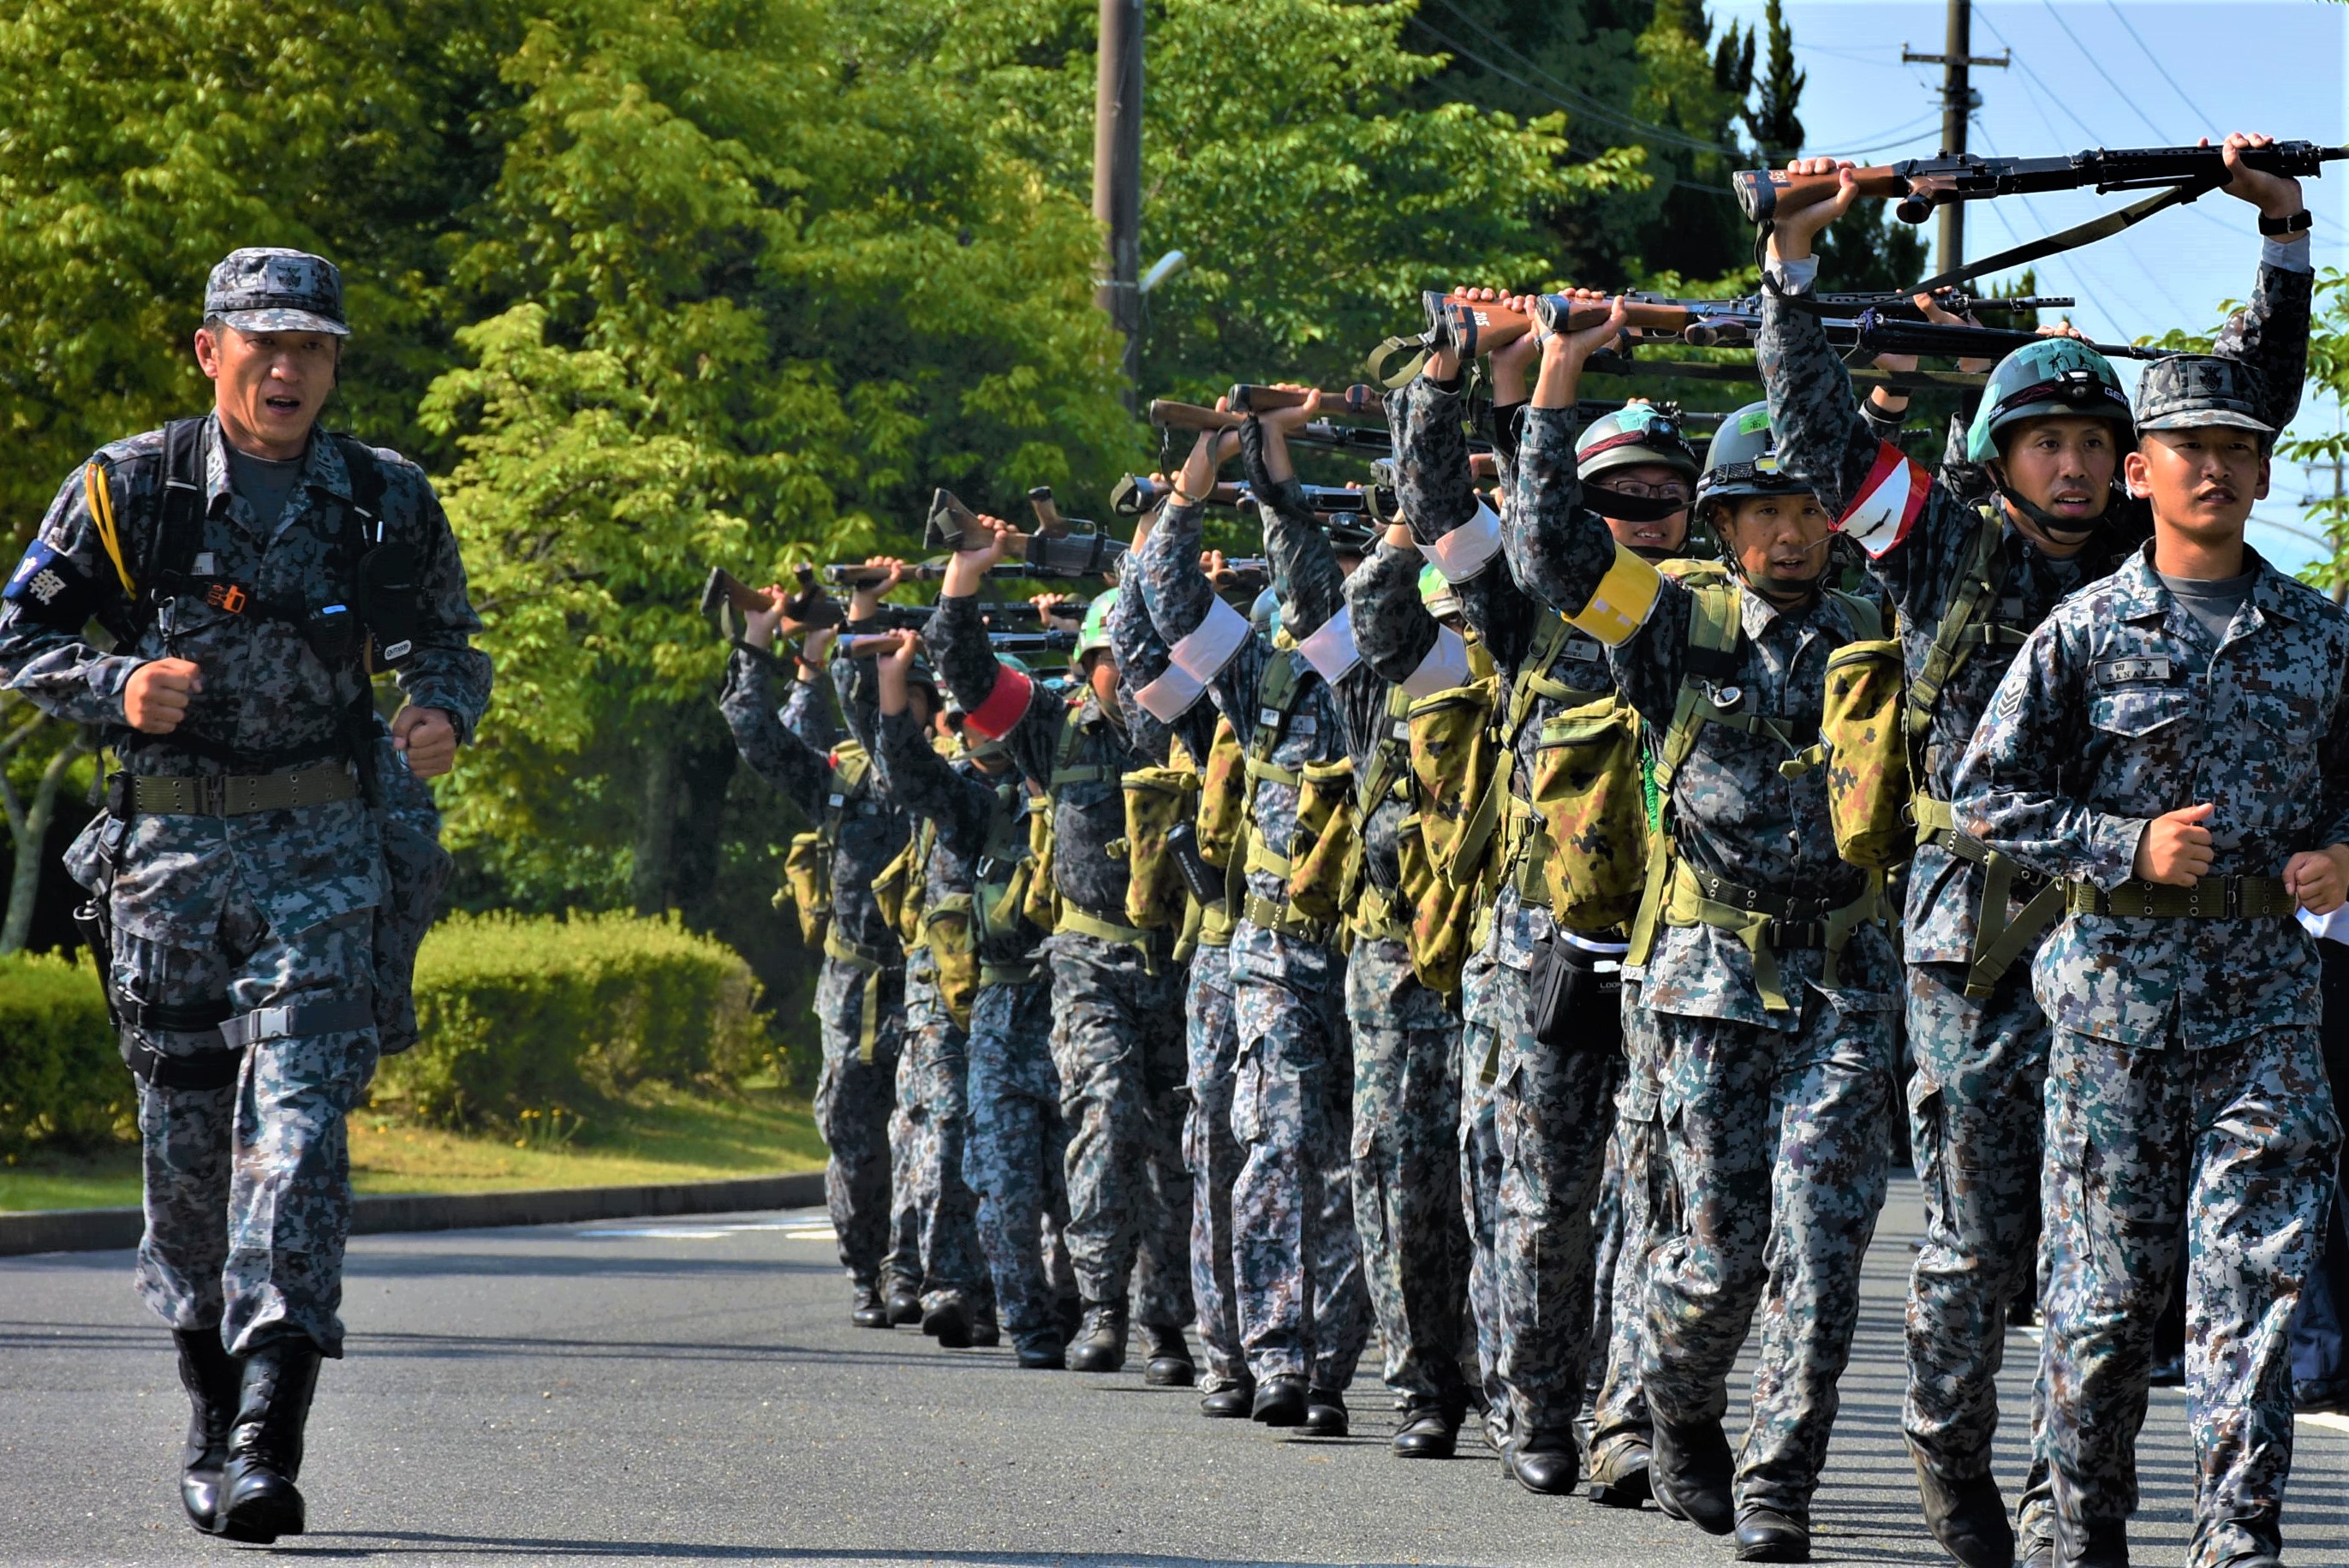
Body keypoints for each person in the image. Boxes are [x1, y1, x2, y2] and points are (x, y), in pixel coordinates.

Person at [1758, 136, 2314, 1568]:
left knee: (2116, 1260)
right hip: (1988, 929)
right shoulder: (1936, 548)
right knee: (1969, 1231)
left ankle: (2095, 1500)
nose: (2070, 468)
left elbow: (2235, 408)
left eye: (2089, 444)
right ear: (1995, 456)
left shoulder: (2161, 544)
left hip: (2156, 950)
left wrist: (2278, 243)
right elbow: (1819, 439)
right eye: (2041, 444)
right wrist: (1792, 267)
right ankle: (1954, 1465)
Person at [0, 247, 491, 1541]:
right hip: (167, 870)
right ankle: (212, 1413)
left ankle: (274, 1427)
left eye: (312, 347)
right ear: (208, 349)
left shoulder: (386, 499)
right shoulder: (131, 487)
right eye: (262, 342)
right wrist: (116, 687)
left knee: (300, 1136)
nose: (287, 367)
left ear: (334, 363)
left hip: (326, 856)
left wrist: (441, 706)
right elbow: (16, 636)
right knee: (189, 1164)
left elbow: (445, 635)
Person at [1510, 288, 1900, 1563]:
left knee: (1822, 1248)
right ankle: (1676, 1409)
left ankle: (1777, 1478)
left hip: (1840, 973)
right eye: (1762, 512)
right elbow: (1553, 554)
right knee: (1717, 1254)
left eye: (1806, 508)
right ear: (1723, 525)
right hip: (1705, 980)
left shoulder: (1876, 629)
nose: (1788, 535)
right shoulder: (1672, 622)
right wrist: (1553, 379)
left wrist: (1884, 389)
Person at [1953, 349, 2349, 1568]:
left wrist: (2341, 850)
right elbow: (1982, 794)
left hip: (2265, 1011)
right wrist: (2120, 842)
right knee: (2105, 1309)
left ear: (2260, 470)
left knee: (2248, 1298)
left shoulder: (2321, 638)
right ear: (2140, 473)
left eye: (2236, 449)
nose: (2216, 468)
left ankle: (2234, 1540)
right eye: (2190, 449)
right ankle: (2078, 1525)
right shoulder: (2079, 631)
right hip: (2114, 1010)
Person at [1353, 298, 1634, 1500]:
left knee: (1671, 1200)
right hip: (1535, 950)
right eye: (1615, 502)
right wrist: (1463, 367)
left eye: (1664, 501)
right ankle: (1539, 1399)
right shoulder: (1529, 617)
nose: (1642, 522)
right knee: (1532, 1197)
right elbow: (1431, 500)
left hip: (1686, 944)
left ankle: (1630, 1412)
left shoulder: (1705, 614)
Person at [1129, 402, 1375, 1435]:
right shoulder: (1259, 671)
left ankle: (1329, 1359)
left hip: (1379, 945)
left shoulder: (1398, 658)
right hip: (1267, 946)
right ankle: (1265, 1353)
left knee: (1355, 1161)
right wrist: (1200, 475)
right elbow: (1159, 595)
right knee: (1261, 1146)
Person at [928, 547, 1196, 1382]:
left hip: (1174, 966)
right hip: (1084, 961)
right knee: (1104, 1117)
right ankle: (1103, 1307)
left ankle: (1166, 1322)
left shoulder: (1188, 716)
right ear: (1089, 662)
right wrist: (964, 577)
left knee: (1171, 1150)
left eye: (1144, 648)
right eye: (1118, 654)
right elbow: (968, 673)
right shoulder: (1051, 726)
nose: (1132, 668)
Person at [867, 631, 1072, 1365]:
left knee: (1081, 1179)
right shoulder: (976, 805)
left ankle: (1091, 1306)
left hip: (1076, 1008)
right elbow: (910, 771)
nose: (973, 728)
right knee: (1003, 1182)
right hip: (1000, 1012)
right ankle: (1025, 1320)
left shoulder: (1071, 783)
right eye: (963, 717)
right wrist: (892, 687)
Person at [723, 580, 917, 1333]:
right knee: (853, 1134)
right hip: (854, 982)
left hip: (939, 980)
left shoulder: (948, 773)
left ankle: (919, 1269)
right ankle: (868, 1269)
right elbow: (756, 730)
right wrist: (757, 639)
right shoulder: (839, 780)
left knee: (935, 1130)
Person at [826, 583, 995, 1349]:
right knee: (925, 1130)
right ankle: (914, 1272)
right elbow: (880, 731)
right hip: (915, 984)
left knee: (980, 1133)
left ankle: (1006, 1284)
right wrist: (861, 626)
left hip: (1010, 978)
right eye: (947, 711)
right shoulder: (928, 782)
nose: (956, 724)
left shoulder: (1019, 771)